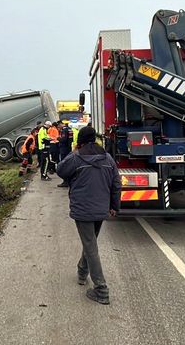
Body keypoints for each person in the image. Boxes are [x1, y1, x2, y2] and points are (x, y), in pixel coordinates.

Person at [56, 126, 121, 305]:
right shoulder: (107, 158)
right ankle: (82, 271)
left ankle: (101, 289)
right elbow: (116, 183)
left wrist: (73, 151)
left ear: (80, 141)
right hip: (101, 210)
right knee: (90, 242)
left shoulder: (76, 157)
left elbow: (60, 170)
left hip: (83, 210)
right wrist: (114, 206)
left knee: (90, 245)